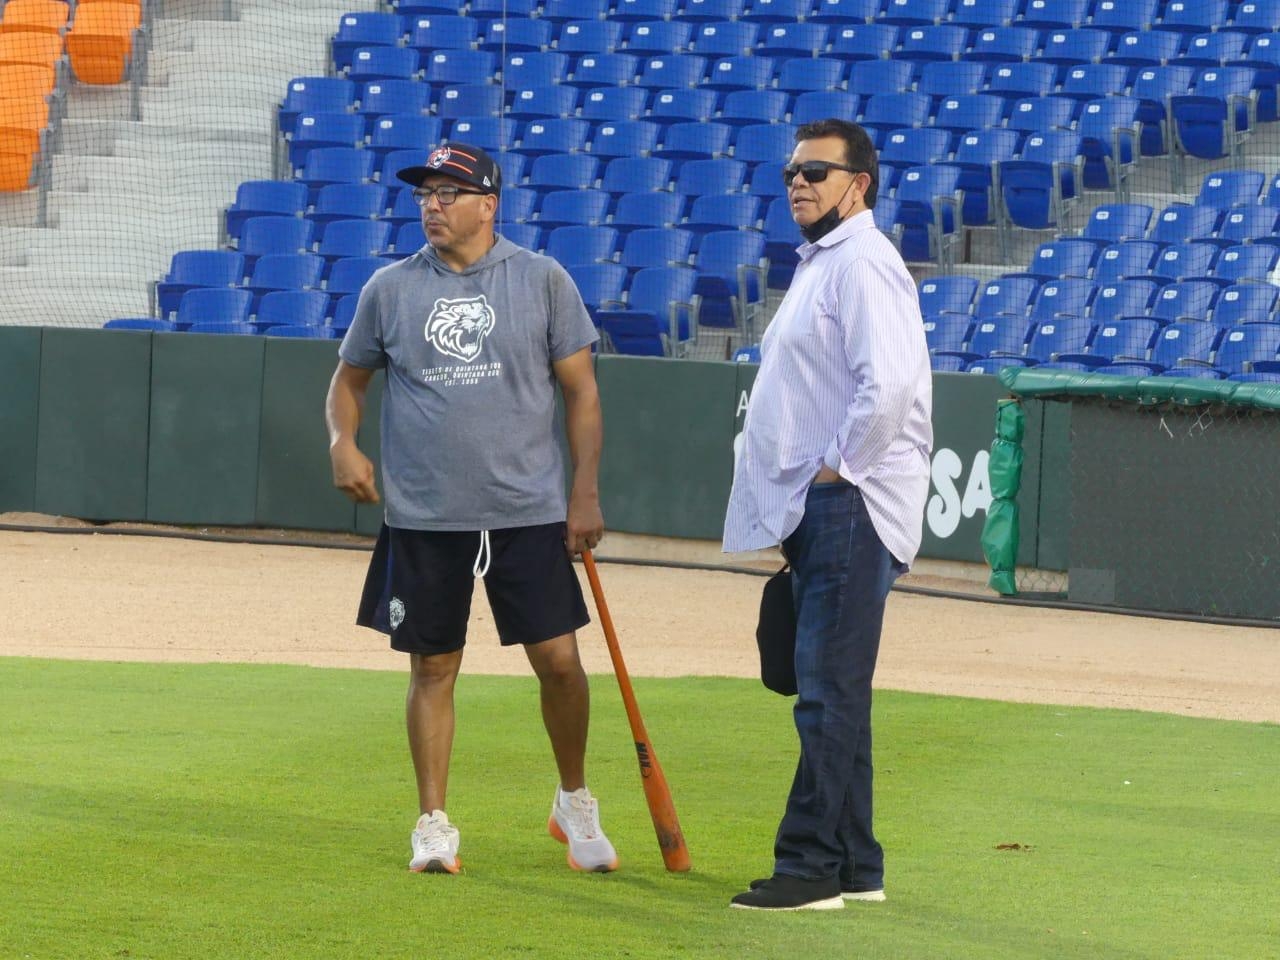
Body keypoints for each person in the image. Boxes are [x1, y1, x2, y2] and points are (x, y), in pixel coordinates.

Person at [324, 141, 618, 876]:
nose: (432, 204)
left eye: (449, 192)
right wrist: (341, 441)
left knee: (559, 662)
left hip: (527, 509)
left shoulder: (543, 280)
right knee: (433, 666)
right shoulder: (390, 289)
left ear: (489, 204)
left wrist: (583, 490)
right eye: (425, 192)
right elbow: (348, 383)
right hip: (425, 515)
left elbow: (582, 392)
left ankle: (573, 799)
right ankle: (433, 824)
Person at [722, 119, 933, 911]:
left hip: (851, 504)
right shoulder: (824, 263)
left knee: (826, 694)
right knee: (837, 688)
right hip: (827, 508)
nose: (798, 183)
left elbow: (893, 387)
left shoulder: (864, 264)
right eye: (790, 172)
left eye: (816, 170)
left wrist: (835, 472)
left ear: (859, 184)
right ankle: (855, 863)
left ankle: (808, 868)